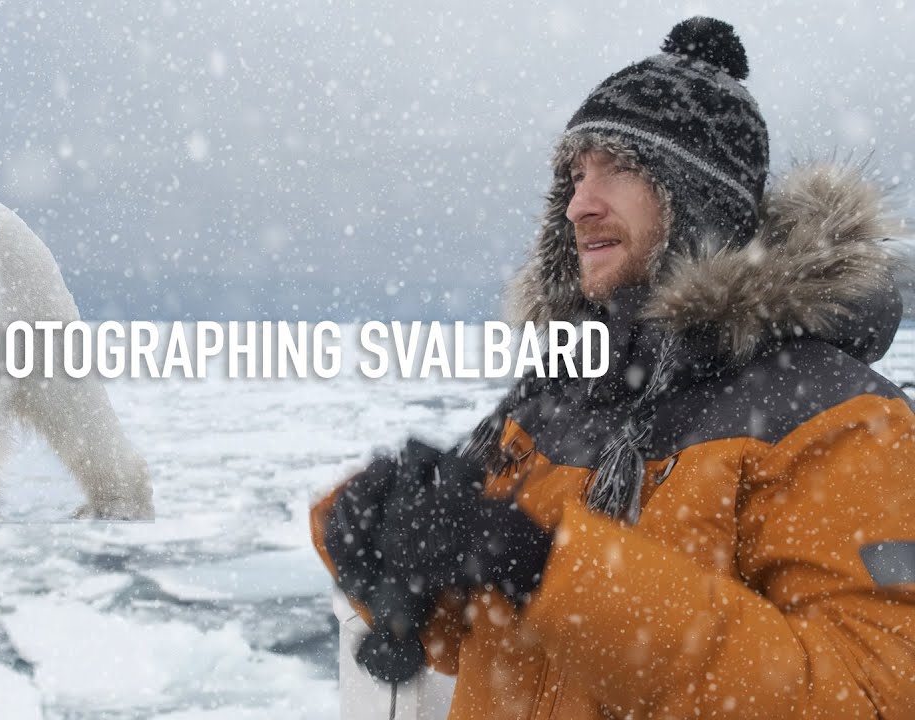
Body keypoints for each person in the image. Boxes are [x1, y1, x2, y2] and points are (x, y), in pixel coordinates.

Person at [311, 17, 915, 720]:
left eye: (619, 166)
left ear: (700, 198)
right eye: (574, 173)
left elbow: (868, 692)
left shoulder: (839, 416)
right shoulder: (559, 393)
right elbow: (471, 644)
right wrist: (381, 551)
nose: (579, 203)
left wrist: (544, 565)